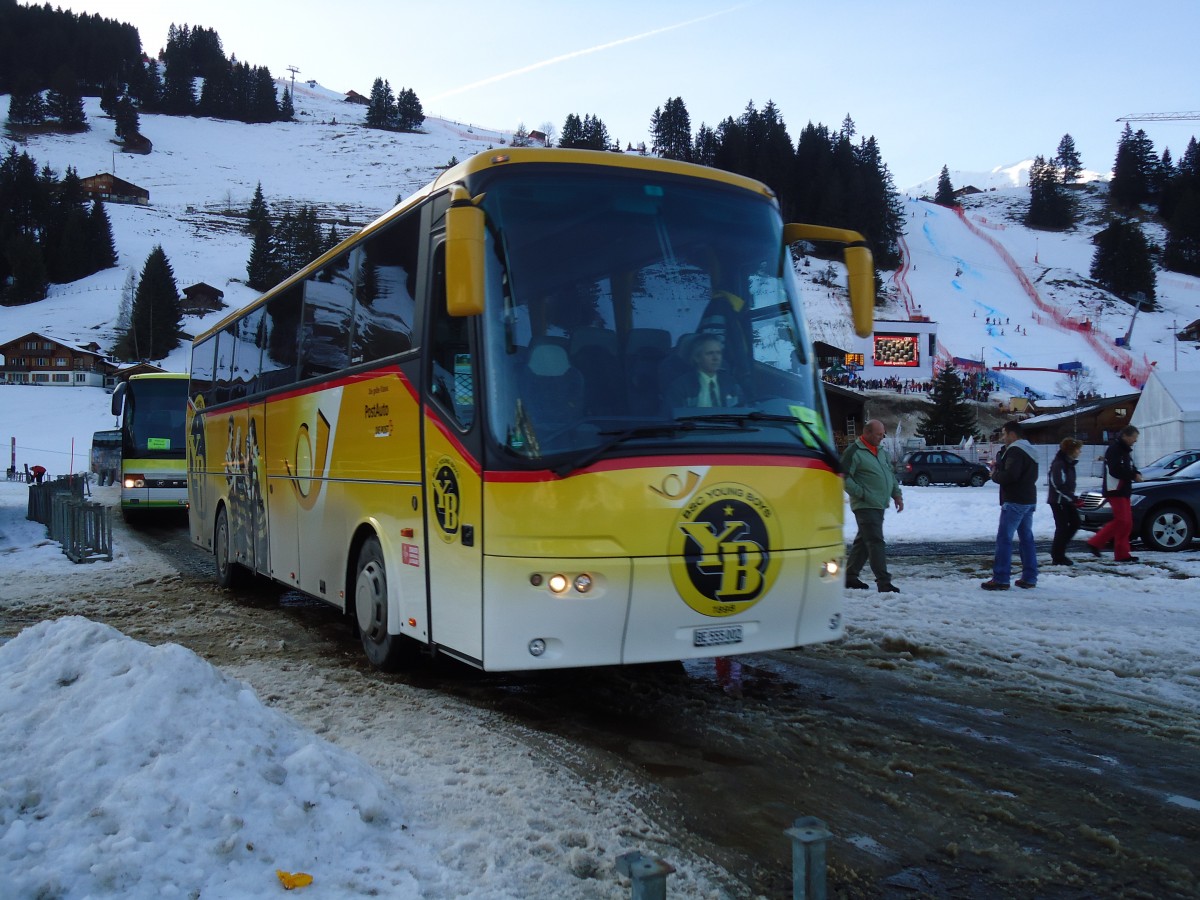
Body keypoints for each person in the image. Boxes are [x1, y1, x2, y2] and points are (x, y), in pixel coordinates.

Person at [841, 419, 904, 593]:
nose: (882, 437)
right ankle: (884, 582)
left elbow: (889, 475)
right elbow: (842, 477)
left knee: (864, 541)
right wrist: (861, 493)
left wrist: (897, 495)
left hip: (879, 503)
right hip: (865, 505)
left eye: (883, 434)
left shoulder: (881, 451)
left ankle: (850, 576)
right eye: (878, 434)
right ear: (867, 433)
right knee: (875, 541)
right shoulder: (853, 451)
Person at [982, 421, 1039, 590]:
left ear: (1013, 434)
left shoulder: (1015, 450)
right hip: (1028, 499)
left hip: (1014, 500)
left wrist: (994, 475)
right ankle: (1030, 577)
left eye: (1005, 434)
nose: (1003, 437)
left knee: (1004, 539)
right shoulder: (1031, 450)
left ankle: (1001, 578)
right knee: (1026, 539)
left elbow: (1011, 476)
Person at [1086, 425, 1143, 562]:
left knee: (1126, 523)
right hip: (1115, 490)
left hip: (1123, 490)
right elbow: (1115, 470)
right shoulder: (1115, 450)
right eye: (1134, 438)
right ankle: (1095, 542)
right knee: (1122, 521)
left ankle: (1122, 554)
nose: (1135, 441)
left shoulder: (1125, 451)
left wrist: (1136, 472)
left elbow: (1130, 467)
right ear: (1125, 436)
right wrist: (1132, 475)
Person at [666, 334, 742, 408]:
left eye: (718, 353)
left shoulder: (731, 384)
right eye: (710, 353)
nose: (716, 358)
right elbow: (673, 417)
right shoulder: (681, 387)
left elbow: (744, 411)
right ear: (697, 358)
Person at [1047, 438, 1083, 565]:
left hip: (1066, 500)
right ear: (1070, 450)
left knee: (1075, 523)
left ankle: (1059, 551)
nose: (1080, 452)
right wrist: (1072, 498)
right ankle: (1058, 556)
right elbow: (1057, 484)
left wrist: (1072, 498)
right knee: (1062, 527)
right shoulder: (1059, 464)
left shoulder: (1068, 463)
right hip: (1058, 501)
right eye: (1078, 449)